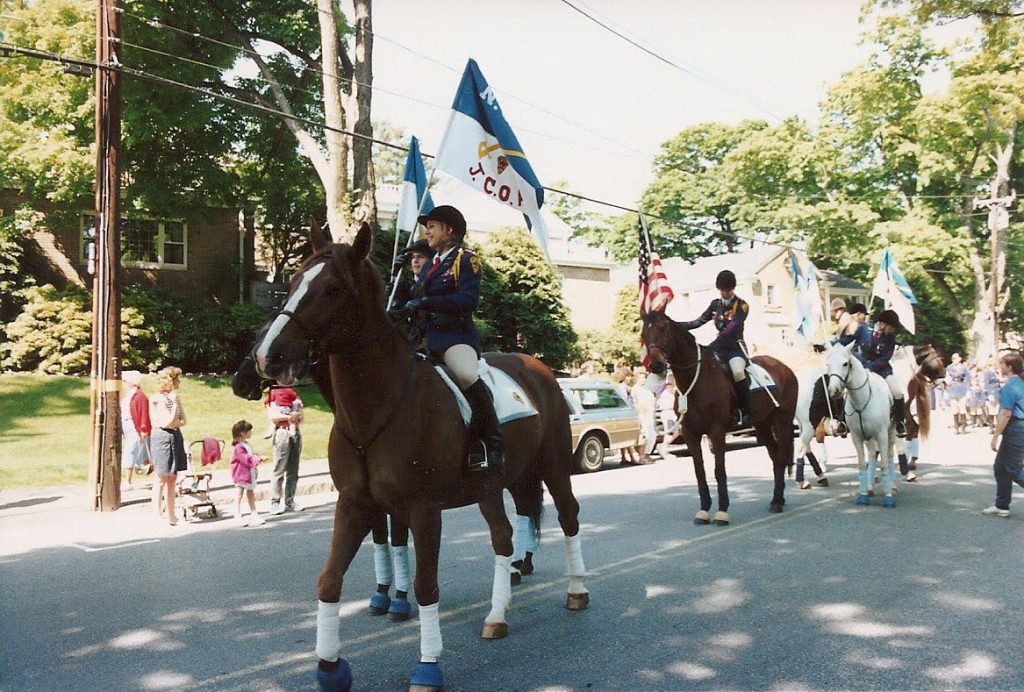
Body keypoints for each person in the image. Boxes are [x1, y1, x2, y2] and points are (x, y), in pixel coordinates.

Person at [398, 204, 503, 473]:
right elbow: (412, 302)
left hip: (454, 338)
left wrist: (426, 302)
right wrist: (398, 284)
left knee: (466, 375)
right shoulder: (430, 266)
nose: (427, 231)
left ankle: (491, 443)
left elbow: (467, 300)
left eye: (432, 226)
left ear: (449, 229)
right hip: (423, 340)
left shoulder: (466, 260)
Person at [683, 269, 751, 426]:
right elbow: (699, 321)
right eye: (722, 290)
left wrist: (714, 345)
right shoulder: (715, 304)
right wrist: (678, 326)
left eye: (727, 290)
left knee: (738, 371)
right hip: (719, 349)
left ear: (732, 289)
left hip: (735, 348)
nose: (725, 294)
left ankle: (745, 411)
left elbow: (732, 328)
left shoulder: (741, 306)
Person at [981, 352, 1024, 517]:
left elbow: (1005, 413)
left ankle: (1002, 504)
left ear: (1010, 367)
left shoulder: (1010, 386)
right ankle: (1002, 505)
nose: (1000, 367)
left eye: (1003, 364)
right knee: (1000, 468)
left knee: (1014, 469)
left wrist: (995, 435)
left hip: (1016, 428)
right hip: (1018, 428)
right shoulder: (1020, 383)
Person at [853, 309, 907, 437]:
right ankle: (842, 420)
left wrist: (871, 367)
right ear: (883, 324)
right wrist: (863, 364)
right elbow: (853, 347)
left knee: (897, 392)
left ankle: (900, 422)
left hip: (882, 369)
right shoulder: (864, 329)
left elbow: (885, 357)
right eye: (891, 327)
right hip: (862, 367)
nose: (892, 331)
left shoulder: (890, 338)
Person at [149, 366, 186, 526]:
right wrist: (175, 406)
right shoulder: (158, 398)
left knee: (173, 477)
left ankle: (172, 514)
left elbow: (183, 420)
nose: (180, 382)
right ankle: (157, 513)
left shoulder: (175, 398)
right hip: (162, 437)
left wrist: (176, 407)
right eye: (177, 378)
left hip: (175, 435)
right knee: (160, 476)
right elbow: (166, 422)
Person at [267, 385, 303, 515]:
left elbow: (301, 417)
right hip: (282, 432)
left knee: (293, 470)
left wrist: (297, 416)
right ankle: (275, 502)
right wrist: (289, 418)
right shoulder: (275, 392)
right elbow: (273, 416)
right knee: (279, 468)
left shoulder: (294, 394)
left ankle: (290, 500)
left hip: (296, 432)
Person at [230, 420, 266, 527]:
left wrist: (256, 458)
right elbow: (246, 459)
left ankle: (254, 512)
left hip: (249, 474)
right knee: (239, 494)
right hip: (241, 474)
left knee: (251, 493)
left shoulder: (246, 445)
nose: (251, 433)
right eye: (249, 431)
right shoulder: (239, 447)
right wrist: (259, 459)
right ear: (242, 433)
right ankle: (237, 514)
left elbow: (250, 456)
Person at [120, 370, 152, 489]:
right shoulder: (128, 395)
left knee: (130, 451)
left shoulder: (139, 396)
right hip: (127, 425)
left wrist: (143, 428)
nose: (123, 383)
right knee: (133, 451)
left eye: (125, 381)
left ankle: (127, 480)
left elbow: (144, 413)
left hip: (134, 426)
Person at [615, 367, 641, 465]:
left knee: (624, 435)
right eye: (628, 376)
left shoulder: (621, 387)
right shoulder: (622, 387)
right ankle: (631, 457)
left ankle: (623, 457)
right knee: (628, 436)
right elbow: (625, 400)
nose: (629, 378)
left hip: (621, 413)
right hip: (625, 413)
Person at [631, 371, 658, 463]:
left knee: (652, 435)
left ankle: (647, 454)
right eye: (642, 378)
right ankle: (642, 455)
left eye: (645, 378)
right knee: (645, 434)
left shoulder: (648, 388)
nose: (644, 379)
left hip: (651, 412)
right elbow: (633, 401)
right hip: (642, 414)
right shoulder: (635, 388)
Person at [946, 353, 970, 434]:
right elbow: (947, 378)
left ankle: (963, 427)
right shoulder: (949, 368)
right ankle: (956, 427)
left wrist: (968, 389)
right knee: (954, 409)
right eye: (954, 358)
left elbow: (967, 378)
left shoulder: (963, 367)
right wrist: (947, 385)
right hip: (952, 388)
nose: (956, 359)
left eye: (957, 358)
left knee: (962, 409)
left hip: (962, 388)